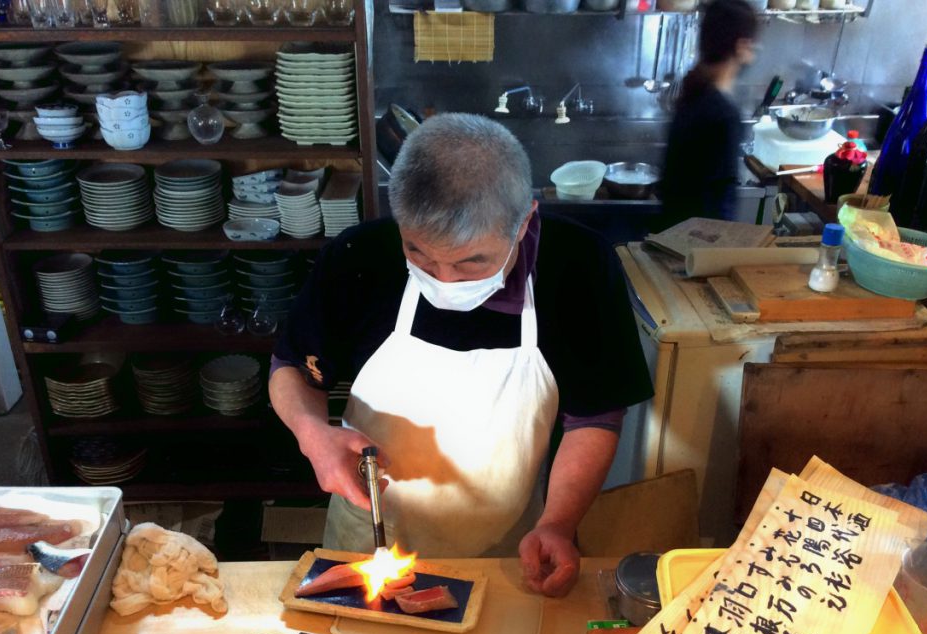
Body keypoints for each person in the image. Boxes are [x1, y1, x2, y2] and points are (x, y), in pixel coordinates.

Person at [269, 113, 652, 597]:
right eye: (421, 254)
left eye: (473, 262)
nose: (444, 280)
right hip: (367, 544)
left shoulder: (579, 266)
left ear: (524, 221)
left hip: (511, 552)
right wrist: (311, 433)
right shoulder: (360, 257)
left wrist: (557, 523)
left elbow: (594, 416)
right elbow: (292, 369)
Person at [659, 0, 759, 226]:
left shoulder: (693, 93)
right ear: (741, 46)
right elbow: (721, 204)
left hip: (673, 233)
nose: (752, 56)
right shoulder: (723, 114)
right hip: (699, 245)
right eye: (752, 46)